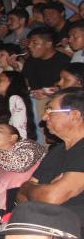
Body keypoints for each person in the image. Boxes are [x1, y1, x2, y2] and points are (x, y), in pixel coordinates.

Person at [16, 88, 84, 219]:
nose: (44, 117)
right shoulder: (57, 151)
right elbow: (20, 197)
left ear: (74, 115)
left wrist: (27, 188)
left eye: (50, 110)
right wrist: (31, 189)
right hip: (48, 223)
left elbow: (51, 197)